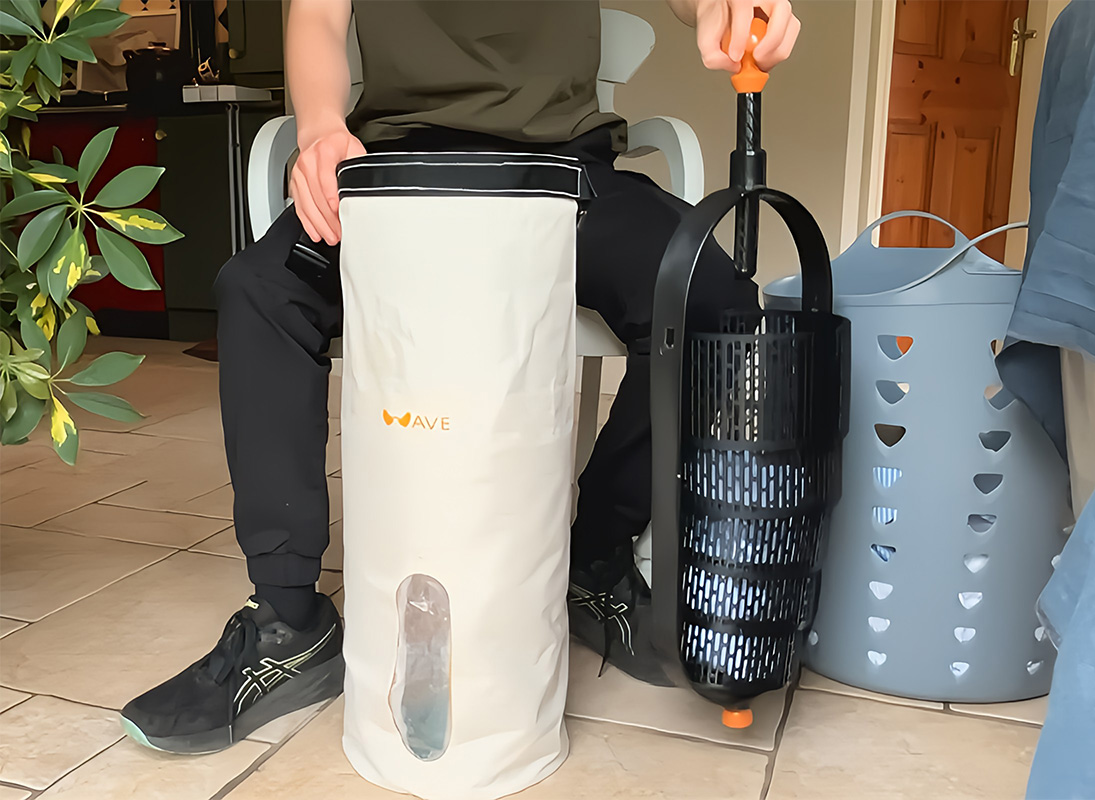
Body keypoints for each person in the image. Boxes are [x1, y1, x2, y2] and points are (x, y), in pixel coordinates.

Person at [119, 0, 800, 754]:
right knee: (258, 293)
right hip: (394, 173)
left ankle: (592, 559)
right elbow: (315, 16)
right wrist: (317, 128)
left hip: (562, 174)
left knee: (715, 296)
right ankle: (288, 623)